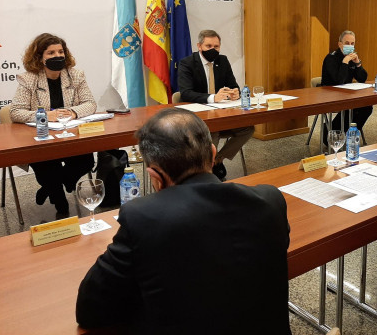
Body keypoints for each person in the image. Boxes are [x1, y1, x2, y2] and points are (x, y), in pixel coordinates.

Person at [76, 108, 291, 335]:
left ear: (155, 178)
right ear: (213, 153)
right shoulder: (271, 200)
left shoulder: (142, 217)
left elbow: (90, 311)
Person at [10, 33, 96, 216]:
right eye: (50, 53)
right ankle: (61, 205)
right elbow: (16, 112)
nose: (57, 56)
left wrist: (73, 112)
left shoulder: (75, 75)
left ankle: (50, 188)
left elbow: (90, 103)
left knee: (86, 160)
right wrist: (46, 115)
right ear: (40, 58)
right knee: (46, 166)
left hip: (70, 134)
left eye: (60, 51)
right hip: (40, 138)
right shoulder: (29, 79)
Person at [178, 29, 254, 180]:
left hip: (220, 113)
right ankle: (206, 171)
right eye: (209, 46)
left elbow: (234, 85)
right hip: (198, 117)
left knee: (248, 128)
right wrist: (213, 97)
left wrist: (235, 93)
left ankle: (217, 160)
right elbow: (185, 93)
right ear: (199, 46)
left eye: (216, 47)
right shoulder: (187, 63)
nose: (213, 50)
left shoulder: (223, 61)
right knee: (213, 131)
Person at [320, 30, 373, 141]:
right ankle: (333, 135)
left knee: (367, 107)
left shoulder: (352, 57)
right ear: (340, 44)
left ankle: (351, 134)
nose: (350, 46)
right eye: (347, 43)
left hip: (347, 94)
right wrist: (345, 62)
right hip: (329, 94)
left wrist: (357, 62)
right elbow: (338, 81)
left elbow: (362, 78)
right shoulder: (330, 58)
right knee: (351, 107)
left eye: (352, 44)